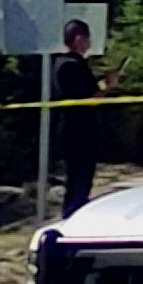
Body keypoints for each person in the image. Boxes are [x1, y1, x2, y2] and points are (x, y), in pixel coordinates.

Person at [49, 19, 112, 213]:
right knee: (79, 180)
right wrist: (108, 85)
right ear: (78, 39)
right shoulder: (70, 66)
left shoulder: (71, 63)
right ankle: (72, 215)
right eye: (87, 38)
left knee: (82, 179)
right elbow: (88, 97)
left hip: (80, 131)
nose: (89, 43)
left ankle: (75, 210)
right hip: (78, 132)